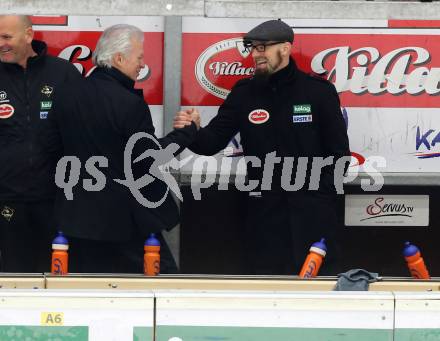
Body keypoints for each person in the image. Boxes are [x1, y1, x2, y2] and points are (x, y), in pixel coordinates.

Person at [175, 19, 350, 275]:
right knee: (266, 297)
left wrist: (316, 198)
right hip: (265, 219)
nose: (256, 54)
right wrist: (192, 129)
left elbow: (339, 157)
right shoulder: (245, 93)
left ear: (286, 48)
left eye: (263, 47)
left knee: (317, 300)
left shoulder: (317, 92)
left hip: (313, 219)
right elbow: (210, 143)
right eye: (253, 48)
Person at [49, 24, 199, 273]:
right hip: (124, 224)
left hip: (76, 221)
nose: (142, 64)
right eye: (139, 57)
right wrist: (187, 131)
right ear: (119, 58)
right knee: (161, 292)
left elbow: (53, 148)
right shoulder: (128, 103)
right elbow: (150, 158)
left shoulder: (65, 95)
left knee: (84, 296)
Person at [0, 15, 81, 272]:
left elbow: (86, 127)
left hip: (56, 198)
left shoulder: (62, 73)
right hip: (7, 198)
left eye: (6, 37)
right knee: (14, 272)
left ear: (28, 35)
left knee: (58, 271)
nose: (1, 43)